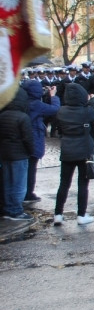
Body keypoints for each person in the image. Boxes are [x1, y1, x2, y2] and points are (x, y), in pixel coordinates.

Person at [53, 84, 94, 226]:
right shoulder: (86, 111)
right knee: (82, 184)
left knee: (64, 183)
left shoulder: (61, 111)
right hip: (84, 151)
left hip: (67, 150)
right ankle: (81, 215)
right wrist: (93, 101)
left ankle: (58, 214)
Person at [23, 80, 61, 206]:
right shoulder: (35, 104)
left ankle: (23, 192)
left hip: (22, 138)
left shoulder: (23, 102)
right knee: (31, 167)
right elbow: (55, 109)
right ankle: (28, 193)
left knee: (24, 167)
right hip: (34, 136)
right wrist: (53, 96)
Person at [0, 88, 35, 221]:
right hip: (19, 154)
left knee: (8, 182)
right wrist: (30, 151)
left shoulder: (2, 115)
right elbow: (28, 138)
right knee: (19, 184)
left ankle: (9, 208)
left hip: (5, 153)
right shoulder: (23, 117)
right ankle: (16, 210)